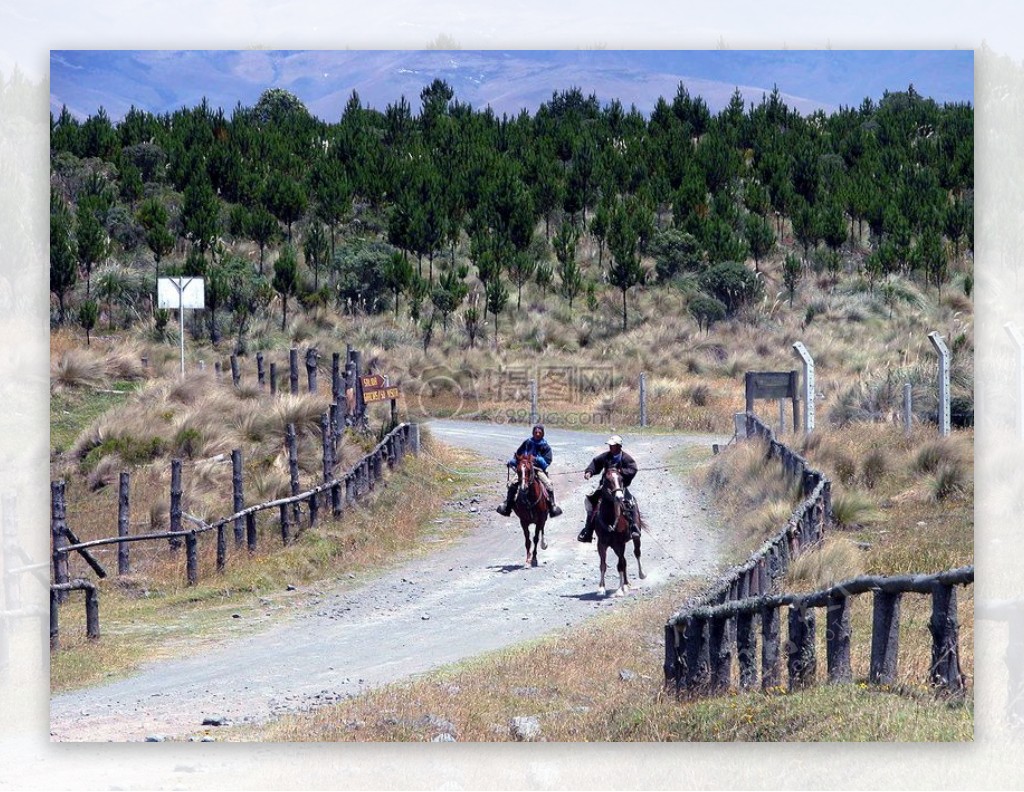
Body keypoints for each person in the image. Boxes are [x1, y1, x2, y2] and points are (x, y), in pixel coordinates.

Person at [577, 435, 639, 542]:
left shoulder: (625, 458)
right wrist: (589, 472)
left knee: (631, 503)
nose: (610, 447)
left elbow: (633, 468)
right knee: (590, 502)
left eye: (613, 446)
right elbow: (595, 463)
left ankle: (634, 528)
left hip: (620, 487)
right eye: (610, 445)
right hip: (605, 487)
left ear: (619, 446)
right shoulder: (606, 456)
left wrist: (621, 472)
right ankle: (588, 530)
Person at [496, 424, 563, 517]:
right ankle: (507, 505)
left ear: (543, 434)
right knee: (512, 483)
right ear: (533, 433)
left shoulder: (546, 446)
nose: (537, 434)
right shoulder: (527, 442)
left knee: (549, 484)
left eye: (540, 432)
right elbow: (518, 454)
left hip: (537, 469)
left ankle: (552, 506)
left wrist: (537, 459)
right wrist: (513, 462)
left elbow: (547, 462)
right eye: (536, 432)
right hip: (525, 467)